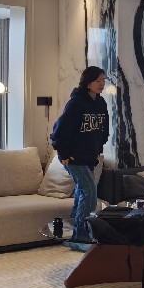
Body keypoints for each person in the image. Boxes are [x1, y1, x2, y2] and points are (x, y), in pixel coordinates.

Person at [50, 66, 109, 250]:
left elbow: (103, 130)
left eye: (103, 80)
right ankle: (80, 237)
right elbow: (59, 130)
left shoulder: (101, 103)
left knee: (82, 193)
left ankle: (75, 232)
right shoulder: (76, 102)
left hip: (89, 157)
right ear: (88, 82)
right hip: (73, 158)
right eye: (98, 80)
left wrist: (97, 149)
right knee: (90, 193)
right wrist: (63, 154)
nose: (102, 84)